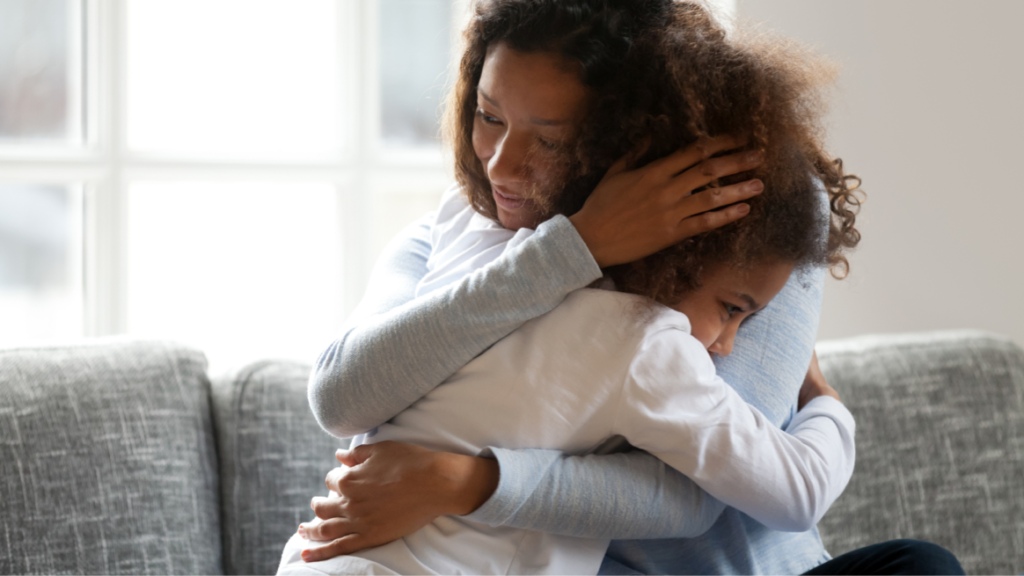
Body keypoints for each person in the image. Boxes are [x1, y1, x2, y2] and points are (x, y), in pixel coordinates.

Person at [293, 1, 964, 574]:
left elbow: (697, 497)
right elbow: (342, 395)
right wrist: (574, 248)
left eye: (550, 141)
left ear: (621, 143)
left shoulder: (746, 217)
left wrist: (469, 480)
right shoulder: (462, 227)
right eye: (488, 116)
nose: (499, 166)